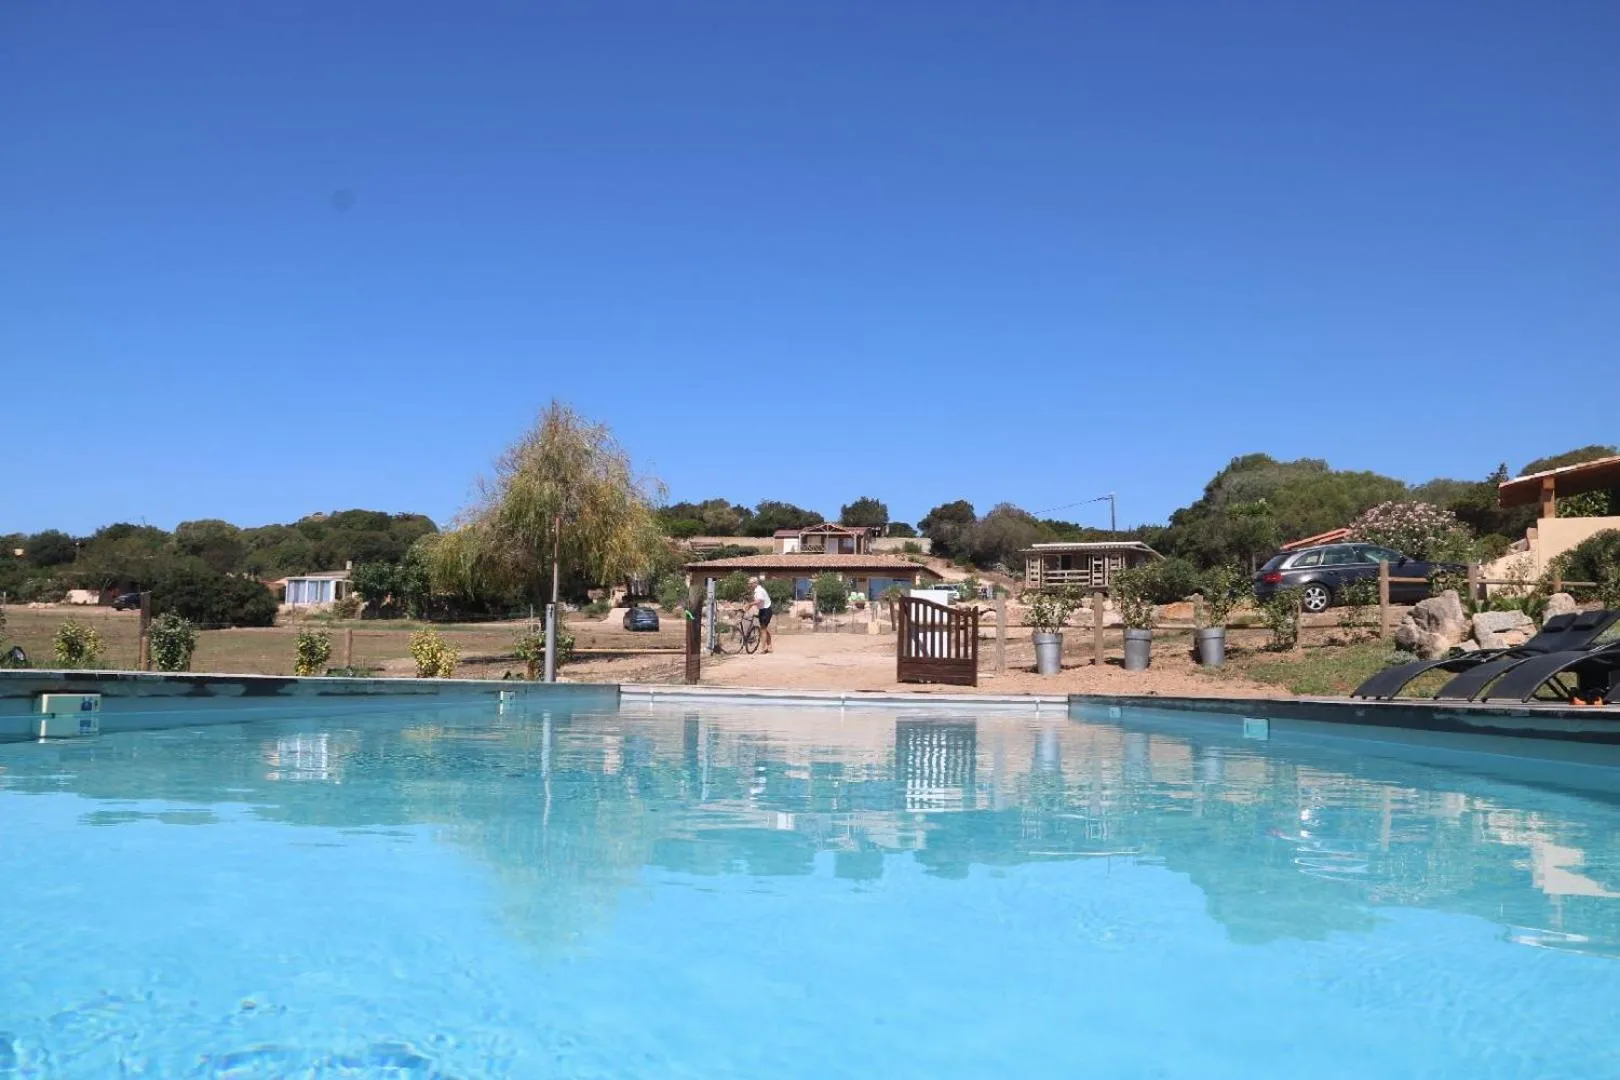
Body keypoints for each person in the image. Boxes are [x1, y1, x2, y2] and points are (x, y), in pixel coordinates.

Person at [748, 576, 773, 654]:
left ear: (755, 583)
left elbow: (759, 600)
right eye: (749, 584)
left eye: (751, 584)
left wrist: (749, 604)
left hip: (766, 610)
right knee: (764, 628)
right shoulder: (756, 590)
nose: (750, 585)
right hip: (763, 610)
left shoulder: (759, 590)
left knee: (763, 629)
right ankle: (769, 646)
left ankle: (763, 648)